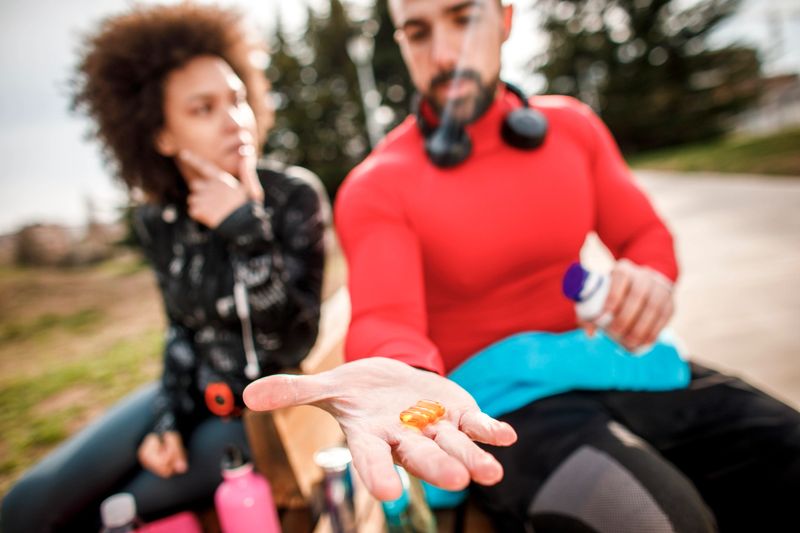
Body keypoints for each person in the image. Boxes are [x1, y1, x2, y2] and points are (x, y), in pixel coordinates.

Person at [243, 0, 800, 531]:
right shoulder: (378, 185)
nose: (443, 54)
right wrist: (403, 373)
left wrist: (651, 275)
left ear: (505, 20)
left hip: (606, 361)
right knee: (657, 521)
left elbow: (644, 235)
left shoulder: (574, 128)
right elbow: (388, 317)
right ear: (401, 42)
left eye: (463, 19)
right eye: (418, 32)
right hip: (506, 411)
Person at [1, 4, 326, 532]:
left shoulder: (294, 196)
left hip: (266, 412)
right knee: (26, 505)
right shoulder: (158, 220)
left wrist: (245, 228)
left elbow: (293, 341)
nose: (234, 121)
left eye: (237, 99)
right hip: (187, 393)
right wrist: (167, 421)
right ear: (162, 136)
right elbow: (181, 331)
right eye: (203, 109)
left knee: (104, 515)